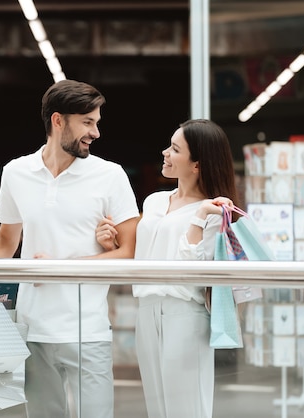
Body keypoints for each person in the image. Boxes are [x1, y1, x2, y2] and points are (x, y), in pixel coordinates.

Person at [0, 79, 140, 418]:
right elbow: (6, 241)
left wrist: (59, 265)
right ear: (58, 120)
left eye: (96, 122)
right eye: (87, 122)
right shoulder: (16, 172)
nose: (95, 132)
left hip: (88, 328)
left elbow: (129, 253)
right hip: (32, 328)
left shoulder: (110, 175)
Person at [96, 119, 239, 418]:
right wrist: (111, 242)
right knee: (157, 407)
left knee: (186, 409)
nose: (165, 153)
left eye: (175, 149)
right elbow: (141, 253)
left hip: (184, 312)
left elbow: (191, 272)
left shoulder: (214, 210)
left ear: (197, 164)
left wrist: (200, 216)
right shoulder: (155, 202)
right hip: (146, 309)